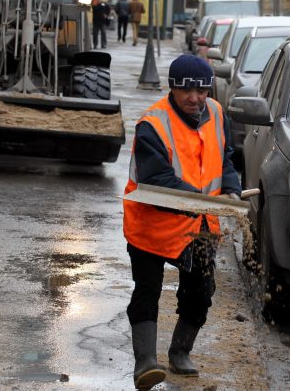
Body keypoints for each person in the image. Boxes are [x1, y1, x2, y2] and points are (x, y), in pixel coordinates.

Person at [122, 54, 242, 389]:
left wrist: (230, 189)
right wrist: (201, 200)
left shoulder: (217, 113)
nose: (195, 98)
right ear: (172, 89)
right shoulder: (153, 124)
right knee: (148, 291)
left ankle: (180, 351)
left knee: (201, 291)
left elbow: (225, 159)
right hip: (151, 226)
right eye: (186, 90)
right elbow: (157, 177)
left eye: (201, 90)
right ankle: (146, 362)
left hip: (199, 226)